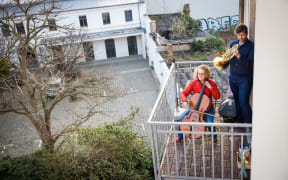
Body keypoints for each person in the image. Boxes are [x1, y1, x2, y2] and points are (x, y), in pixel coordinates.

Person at [177, 64, 220, 143]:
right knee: (181, 118)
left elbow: (217, 97)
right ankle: (180, 135)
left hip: (207, 109)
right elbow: (183, 93)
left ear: (206, 74)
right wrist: (185, 102)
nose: (200, 75)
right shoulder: (193, 83)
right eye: (198, 73)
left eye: (202, 74)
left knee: (210, 123)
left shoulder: (211, 83)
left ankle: (214, 136)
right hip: (193, 108)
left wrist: (210, 87)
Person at [229, 23, 254, 124]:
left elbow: (249, 63)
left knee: (244, 102)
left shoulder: (251, 46)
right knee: (237, 100)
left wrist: (239, 56)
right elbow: (230, 59)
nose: (240, 37)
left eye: (242, 35)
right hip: (233, 77)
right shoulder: (233, 44)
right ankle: (239, 120)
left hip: (245, 78)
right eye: (238, 35)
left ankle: (250, 124)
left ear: (247, 34)